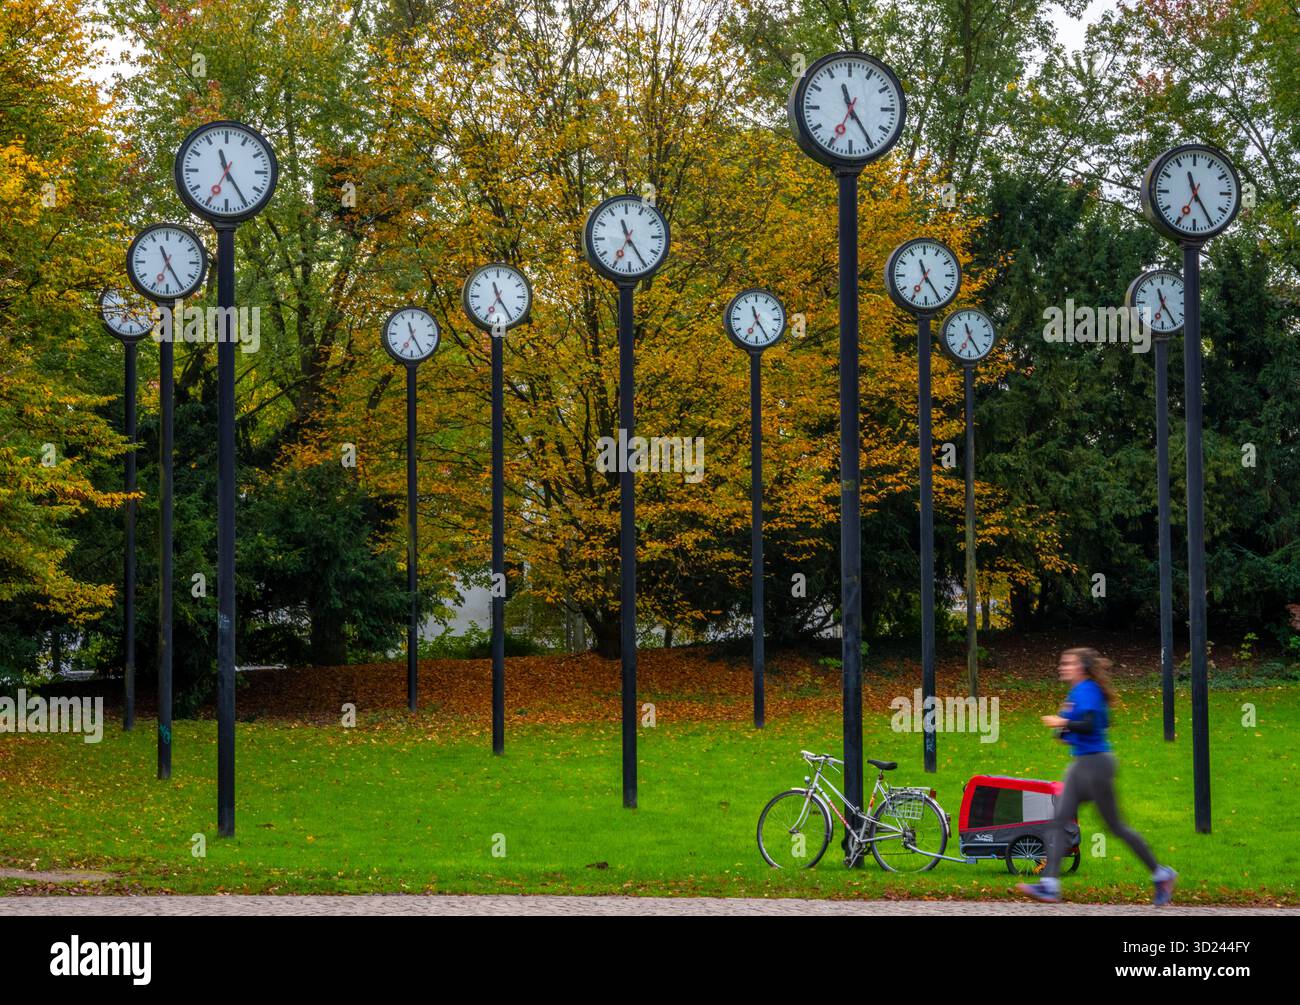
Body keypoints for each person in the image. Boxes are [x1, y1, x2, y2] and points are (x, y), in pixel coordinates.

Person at [1017, 647, 1178, 905]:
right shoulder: (1076, 693)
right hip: (1081, 764)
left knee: (1115, 827)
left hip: (1097, 765)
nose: (1062, 667)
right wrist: (1062, 729)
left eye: (1067, 663)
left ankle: (1162, 873)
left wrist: (1061, 724)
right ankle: (1050, 884)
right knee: (1059, 819)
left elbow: (1090, 724)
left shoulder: (1087, 690)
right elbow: (1070, 732)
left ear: (1081, 668)